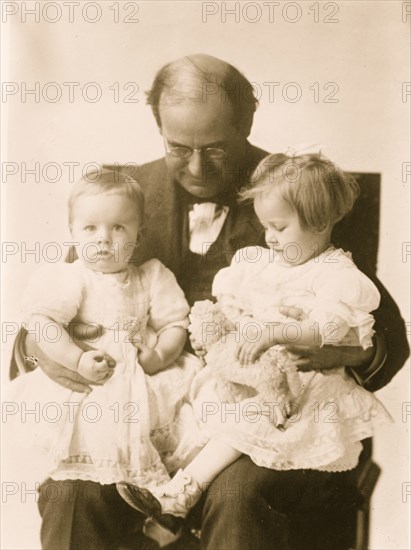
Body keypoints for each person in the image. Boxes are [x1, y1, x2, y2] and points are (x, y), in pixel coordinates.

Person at [10, 54, 409, 550]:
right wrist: (51, 353)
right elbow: (59, 304)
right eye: (179, 148)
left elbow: (384, 334)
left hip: (259, 415)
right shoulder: (120, 197)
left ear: (247, 125)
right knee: (73, 491)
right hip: (140, 408)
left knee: (240, 494)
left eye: (215, 150)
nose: (196, 167)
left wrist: (343, 350)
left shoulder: (302, 190)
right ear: (157, 127)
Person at [116, 152, 393, 537]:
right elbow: (235, 310)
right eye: (266, 226)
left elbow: (323, 329)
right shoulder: (260, 264)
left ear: (322, 223)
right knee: (198, 422)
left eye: (279, 227)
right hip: (245, 380)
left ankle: (177, 497)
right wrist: (213, 331)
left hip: (300, 396)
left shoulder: (336, 275)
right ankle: (167, 519)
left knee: (240, 438)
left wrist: (274, 333)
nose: (269, 237)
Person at [5, 168, 202, 513]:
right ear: (72, 232)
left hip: (142, 379)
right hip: (93, 380)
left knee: (167, 426)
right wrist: (76, 359)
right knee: (92, 440)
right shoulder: (69, 278)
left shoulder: (151, 276)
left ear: (138, 236)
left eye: (118, 228)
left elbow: (174, 323)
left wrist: (160, 355)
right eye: (90, 228)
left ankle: (154, 502)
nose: (103, 239)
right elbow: (43, 323)